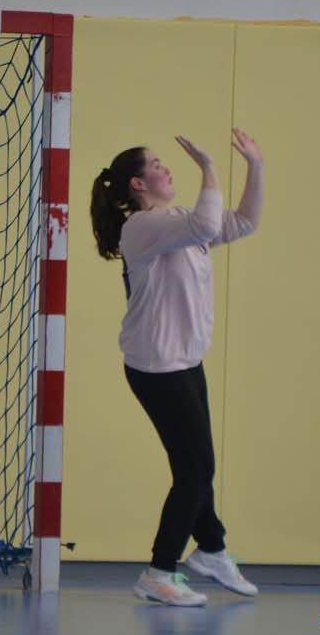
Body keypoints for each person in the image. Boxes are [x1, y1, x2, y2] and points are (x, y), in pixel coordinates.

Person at [88, 128, 264, 606]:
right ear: (137, 184)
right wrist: (208, 167)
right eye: (156, 164)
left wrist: (255, 165)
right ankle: (158, 572)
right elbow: (207, 225)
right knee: (195, 468)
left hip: (184, 362)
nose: (166, 169)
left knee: (195, 464)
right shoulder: (141, 227)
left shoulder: (179, 220)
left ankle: (212, 550)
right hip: (157, 367)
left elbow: (244, 222)